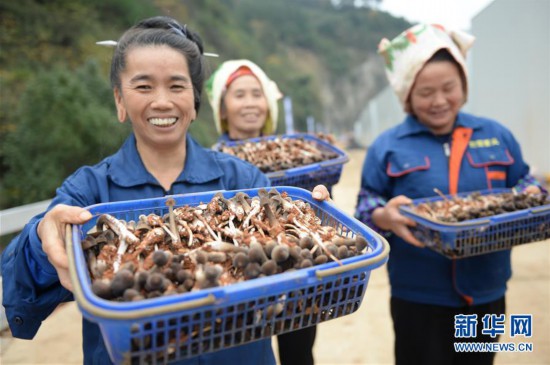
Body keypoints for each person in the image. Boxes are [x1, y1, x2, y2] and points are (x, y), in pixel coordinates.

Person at [1, 16, 330, 365]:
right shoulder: (89, 190)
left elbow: (292, 284)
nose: (161, 101)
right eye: (143, 87)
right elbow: (21, 282)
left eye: (176, 86)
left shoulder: (244, 181)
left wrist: (314, 222)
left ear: (195, 100)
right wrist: (40, 238)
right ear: (119, 101)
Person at [355, 23, 545, 365]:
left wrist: (532, 193)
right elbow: (366, 207)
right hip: (419, 295)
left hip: (486, 290)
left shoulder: (496, 134)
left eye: (449, 88)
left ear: (464, 86)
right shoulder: (387, 147)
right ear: (406, 95)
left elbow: (524, 183)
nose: (439, 101)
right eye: (425, 92)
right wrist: (383, 216)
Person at [206, 59, 317, 365]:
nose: (250, 103)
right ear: (223, 108)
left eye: (257, 94)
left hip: (295, 273)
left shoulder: (295, 155)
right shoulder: (211, 162)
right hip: (246, 274)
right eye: (239, 95)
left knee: (299, 352)